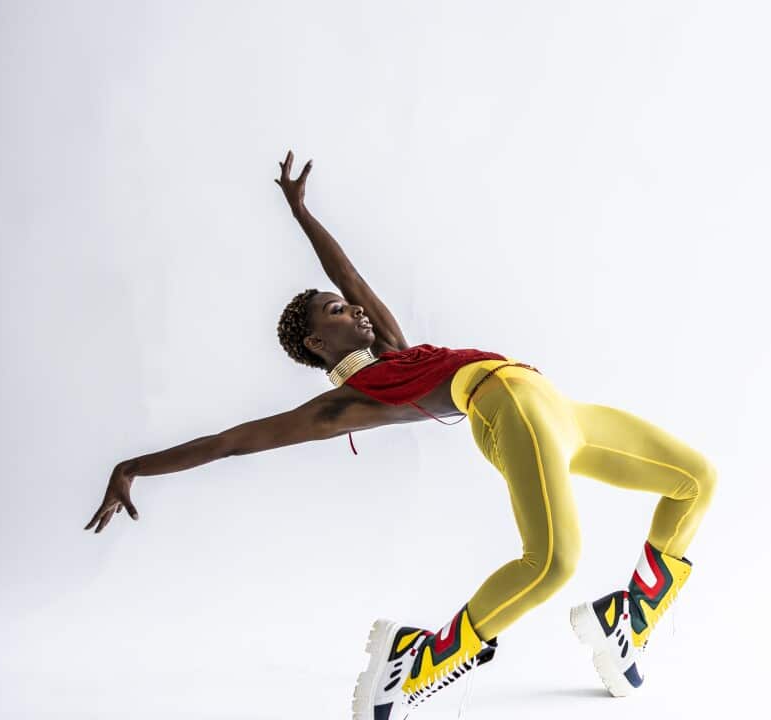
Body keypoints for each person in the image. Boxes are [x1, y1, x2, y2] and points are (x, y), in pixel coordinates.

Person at [84, 151, 718, 719]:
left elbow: (351, 275)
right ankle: (417, 662)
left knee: (695, 480)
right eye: (336, 311)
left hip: (553, 406)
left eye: (349, 304)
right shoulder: (345, 405)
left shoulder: (390, 348)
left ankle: (627, 624)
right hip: (511, 407)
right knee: (554, 562)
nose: (354, 307)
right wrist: (133, 466)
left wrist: (301, 213)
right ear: (315, 343)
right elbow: (234, 440)